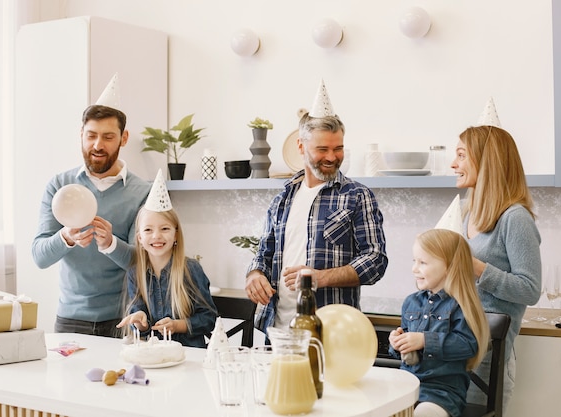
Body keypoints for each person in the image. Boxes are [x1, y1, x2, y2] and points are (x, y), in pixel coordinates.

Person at [245, 80, 388, 333]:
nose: (332, 157)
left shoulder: (357, 196)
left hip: (333, 330)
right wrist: (255, 274)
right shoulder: (282, 200)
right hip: (278, 330)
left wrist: (319, 278)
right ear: (301, 146)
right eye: (322, 149)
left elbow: (375, 261)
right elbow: (263, 253)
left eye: (338, 148)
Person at [32, 76, 151, 337]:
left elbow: (141, 261)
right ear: (81, 136)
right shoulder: (59, 185)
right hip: (69, 320)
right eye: (91, 136)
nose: (98, 145)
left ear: (124, 138)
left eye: (108, 136)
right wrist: (66, 236)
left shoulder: (143, 192)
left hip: (120, 321)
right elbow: (39, 256)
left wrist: (110, 243)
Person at [451, 99, 542, 408]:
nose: (454, 164)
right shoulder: (468, 215)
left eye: (461, 155)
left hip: (488, 363)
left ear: (485, 160)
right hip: (456, 350)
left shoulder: (515, 218)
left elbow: (529, 290)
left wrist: (476, 267)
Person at [389, 228, 489, 417]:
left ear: (449, 266)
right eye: (414, 261)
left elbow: (468, 345)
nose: (414, 268)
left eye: (423, 262)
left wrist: (425, 340)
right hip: (407, 386)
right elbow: (405, 354)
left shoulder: (461, 305)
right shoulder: (411, 302)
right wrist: (398, 343)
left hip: (442, 393)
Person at [117, 171, 217, 347]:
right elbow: (140, 321)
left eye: (164, 229)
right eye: (148, 230)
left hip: (190, 356)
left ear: (176, 234)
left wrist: (179, 325)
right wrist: (141, 322)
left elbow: (209, 318)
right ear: (139, 238)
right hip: (155, 354)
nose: (156, 236)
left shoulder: (191, 269)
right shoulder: (135, 274)